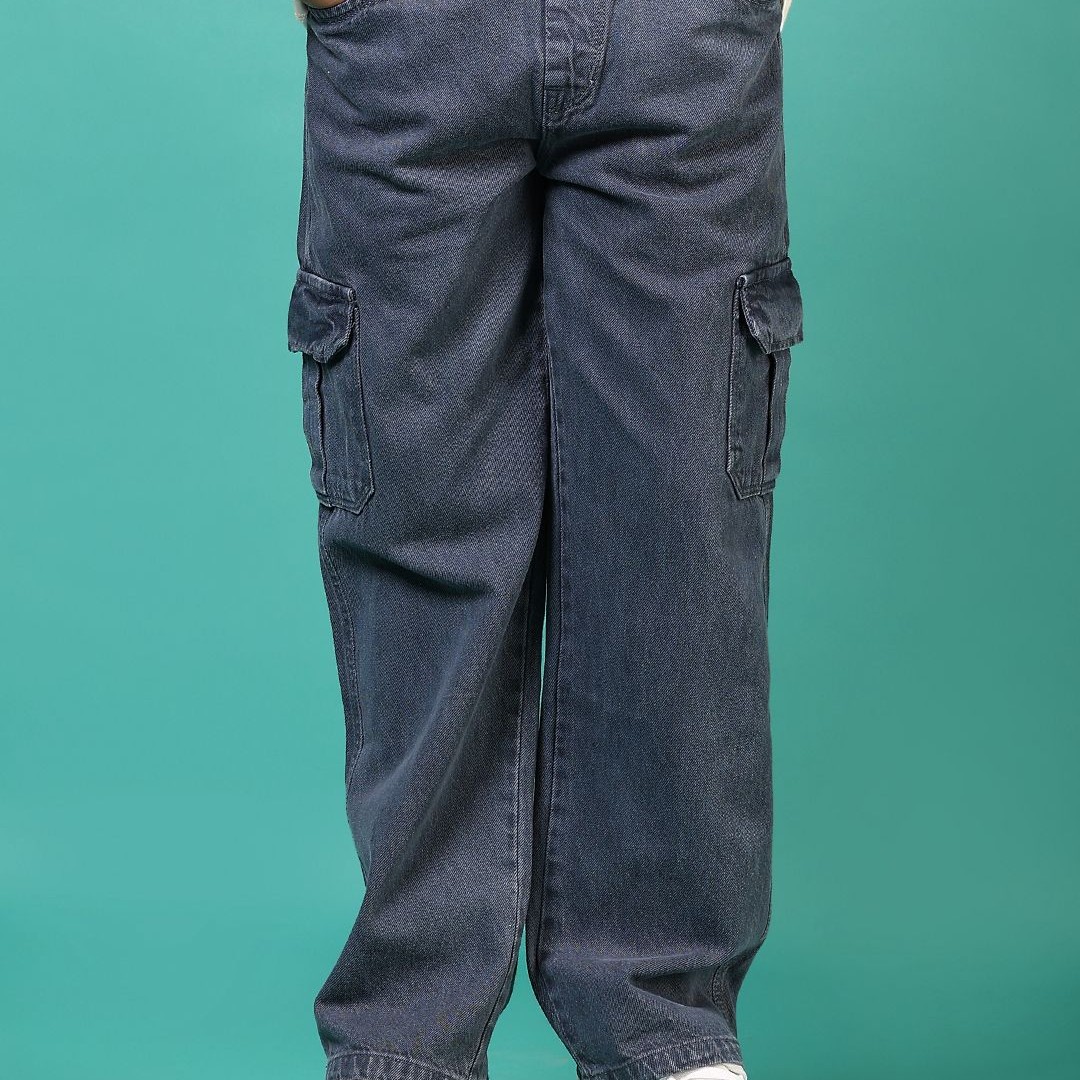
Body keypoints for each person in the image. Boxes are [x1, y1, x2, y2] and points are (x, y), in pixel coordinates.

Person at [285, 1, 803, 1079]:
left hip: (683, 35)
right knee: (417, 541)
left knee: (681, 550)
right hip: (410, 35)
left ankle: (664, 1037)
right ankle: (410, 1046)